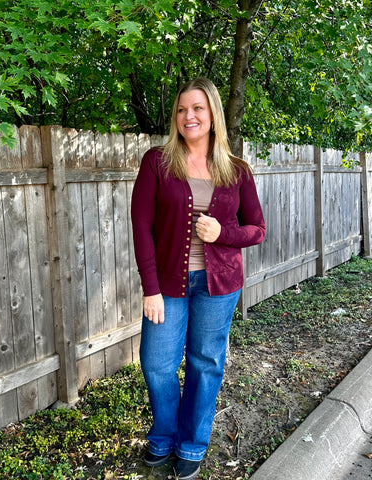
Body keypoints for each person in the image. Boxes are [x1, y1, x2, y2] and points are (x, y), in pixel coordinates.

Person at [131, 77, 266, 480]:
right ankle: (165, 435)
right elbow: (141, 226)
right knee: (157, 364)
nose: (188, 116)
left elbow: (257, 229)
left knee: (205, 363)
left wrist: (222, 233)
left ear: (213, 115)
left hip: (219, 286)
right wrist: (150, 287)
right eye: (181, 110)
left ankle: (192, 443)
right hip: (168, 285)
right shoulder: (157, 162)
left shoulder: (236, 170)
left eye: (197, 109)